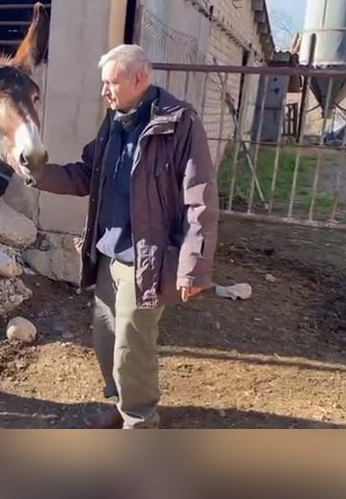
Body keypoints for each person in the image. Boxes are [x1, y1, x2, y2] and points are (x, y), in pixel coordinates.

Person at [35, 44, 219, 429]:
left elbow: (200, 198)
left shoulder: (179, 124)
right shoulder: (114, 123)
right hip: (108, 254)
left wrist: (193, 268)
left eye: (111, 82)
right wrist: (36, 174)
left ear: (139, 78)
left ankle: (140, 422)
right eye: (103, 83)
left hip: (147, 259)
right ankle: (122, 407)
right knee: (105, 340)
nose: (105, 91)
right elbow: (86, 174)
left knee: (131, 349)